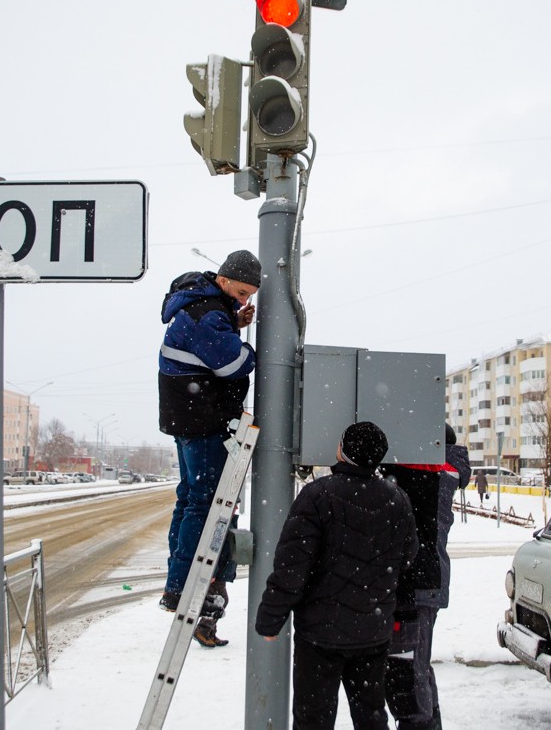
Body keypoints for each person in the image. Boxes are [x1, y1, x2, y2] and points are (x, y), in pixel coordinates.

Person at [255, 422, 418, 730]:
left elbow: (291, 568)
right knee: (371, 717)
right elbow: (407, 556)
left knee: (313, 720)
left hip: (320, 636)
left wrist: (270, 619)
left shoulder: (317, 495)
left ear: (342, 451)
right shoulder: (397, 499)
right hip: (373, 630)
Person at [158, 249, 260, 648]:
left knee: (190, 499)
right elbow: (232, 363)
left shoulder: (202, 305)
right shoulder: (208, 313)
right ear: (223, 280)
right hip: (204, 418)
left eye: (249, 295)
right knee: (205, 502)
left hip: (189, 416)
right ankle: (186, 586)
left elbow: (206, 346)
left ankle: (180, 581)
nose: (244, 300)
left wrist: (232, 321)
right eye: (240, 291)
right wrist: (254, 351)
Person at [378, 424, 470, 730]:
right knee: (415, 667)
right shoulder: (442, 470)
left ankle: (420, 724)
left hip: (417, 584)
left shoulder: (432, 471)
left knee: (406, 672)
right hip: (423, 582)